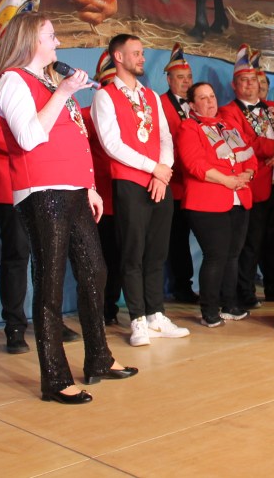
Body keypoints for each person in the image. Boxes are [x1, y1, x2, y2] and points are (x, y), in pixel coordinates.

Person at [0, 12, 135, 405]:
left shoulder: (48, 81)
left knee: (94, 270)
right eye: (50, 35)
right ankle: (54, 378)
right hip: (42, 190)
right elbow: (29, 137)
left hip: (73, 189)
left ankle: (99, 357)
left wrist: (90, 186)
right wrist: (63, 93)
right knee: (50, 282)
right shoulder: (11, 81)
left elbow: (74, 138)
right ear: (30, 40)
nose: (57, 42)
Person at [0, 66, 81, 353]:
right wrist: (35, 140)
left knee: (50, 253)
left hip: (48, 176)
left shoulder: (45, 78)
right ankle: (15, 326)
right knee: (17, 253)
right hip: (12, 178)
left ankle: (51, 322)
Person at [92, 34, 190, 346]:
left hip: (159, 183)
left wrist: (163, 172)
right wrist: (153, 168)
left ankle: (155, 314)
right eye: (136, 53)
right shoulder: (105, 96)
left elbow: (164, 137)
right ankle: (137, 319)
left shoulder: (150, 96)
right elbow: (111, 144)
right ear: (118, 57)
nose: (142, 58)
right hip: (130, 184)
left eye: (142, 53)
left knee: (157, 253)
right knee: (132, 253)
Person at [219, 45, 274, 307]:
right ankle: (244, 291)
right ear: (234, 85)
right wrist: (271, 147)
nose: (249, 85)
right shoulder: (228, 112)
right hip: (254, 185)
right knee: (250, 242)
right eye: (243, 80)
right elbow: (240, 141)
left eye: (252, 80)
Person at [176, 82, 258, 327]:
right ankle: (209, 310)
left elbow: (249, 155)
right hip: (207, 202)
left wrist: (247, 174)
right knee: (216, 255)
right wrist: (226, 180)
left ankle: (229, 304)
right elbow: (194, 164)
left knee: (233, 255)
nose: (210, 101)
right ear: (192, 105)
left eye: (212, 96)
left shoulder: (228, 126)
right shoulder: (189, 127)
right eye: (203, 98)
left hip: (238, 197)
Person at [158, 43, 198, 304]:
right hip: (174, 184)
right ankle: (181, 287)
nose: (186, 82)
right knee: (177, 238)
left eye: (189, 77)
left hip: (198, 184)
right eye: (180, 77)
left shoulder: (199, 104)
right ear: (169, 80)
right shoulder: (160, 104)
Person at [83, 50, 120, 326]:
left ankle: (112, 308)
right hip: (101, 198)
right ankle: (100, 310)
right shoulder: (87, 115)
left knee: (121, 257)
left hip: (128, 197)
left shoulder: (132, 115)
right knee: (100, 258)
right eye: (108, 84)